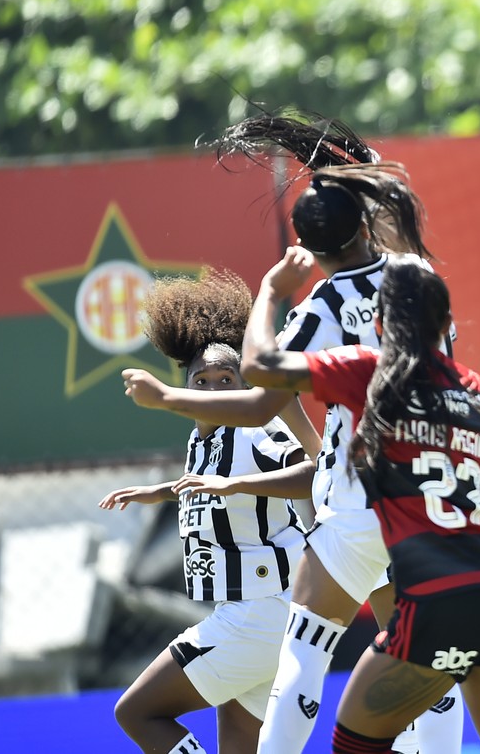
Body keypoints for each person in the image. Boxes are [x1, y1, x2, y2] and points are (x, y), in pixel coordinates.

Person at [120, 112, 463, 754]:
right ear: (366, 226)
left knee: (304, 653)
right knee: (424, 652)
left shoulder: (320, 307)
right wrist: (351, 170)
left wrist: (271, 298)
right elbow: (395, 226)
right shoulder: (421, 284)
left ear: (307, 248)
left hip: (355, 502)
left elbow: (258, 393)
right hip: (426, 496)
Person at [240, 253, 480, 754]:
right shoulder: (476, 388)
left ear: (380, 325)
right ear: (447, 324)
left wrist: (171, 398)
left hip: (384, 539)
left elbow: (260, 383)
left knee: (312, 661)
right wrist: (460, 509)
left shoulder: (356, 350)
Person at [101, 269, 314, 754]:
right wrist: (161, 491)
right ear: (188, 387)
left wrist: (235, 482)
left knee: (137, 712)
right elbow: (214, 490)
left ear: (246, 388)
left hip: (261, 613)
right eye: (203, 380)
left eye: (228, 380)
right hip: (255, 615)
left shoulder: (255, 431)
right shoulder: (205, 439)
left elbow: (315, 475)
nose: (216, 390)